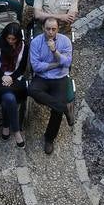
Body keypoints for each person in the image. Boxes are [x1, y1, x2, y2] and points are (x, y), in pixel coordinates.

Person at [29, 16, 74, 154]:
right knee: (31, 90)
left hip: (59, 78)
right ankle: (64, 107)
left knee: (57, 111)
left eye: (53, 29)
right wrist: (55, 64)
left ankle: (49, 138)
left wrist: (55, 51)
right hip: (42, 77)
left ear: (57, 29)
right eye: (48, 29)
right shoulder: (36, 42)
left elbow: (67, 63)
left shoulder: (65, 41)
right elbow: (36, 66)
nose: (50, 32)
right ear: (43, 28)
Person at [0, 22, 28, 146]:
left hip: (15, 78)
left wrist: (11, 77)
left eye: (13, 39)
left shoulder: (24, 46)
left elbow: (22, 68)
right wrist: (3, 76)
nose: (10, 41)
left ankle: (6, 126)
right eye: (8, 38)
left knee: (8, 98)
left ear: (18, 38)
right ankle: (16, 130)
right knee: (9, 97)